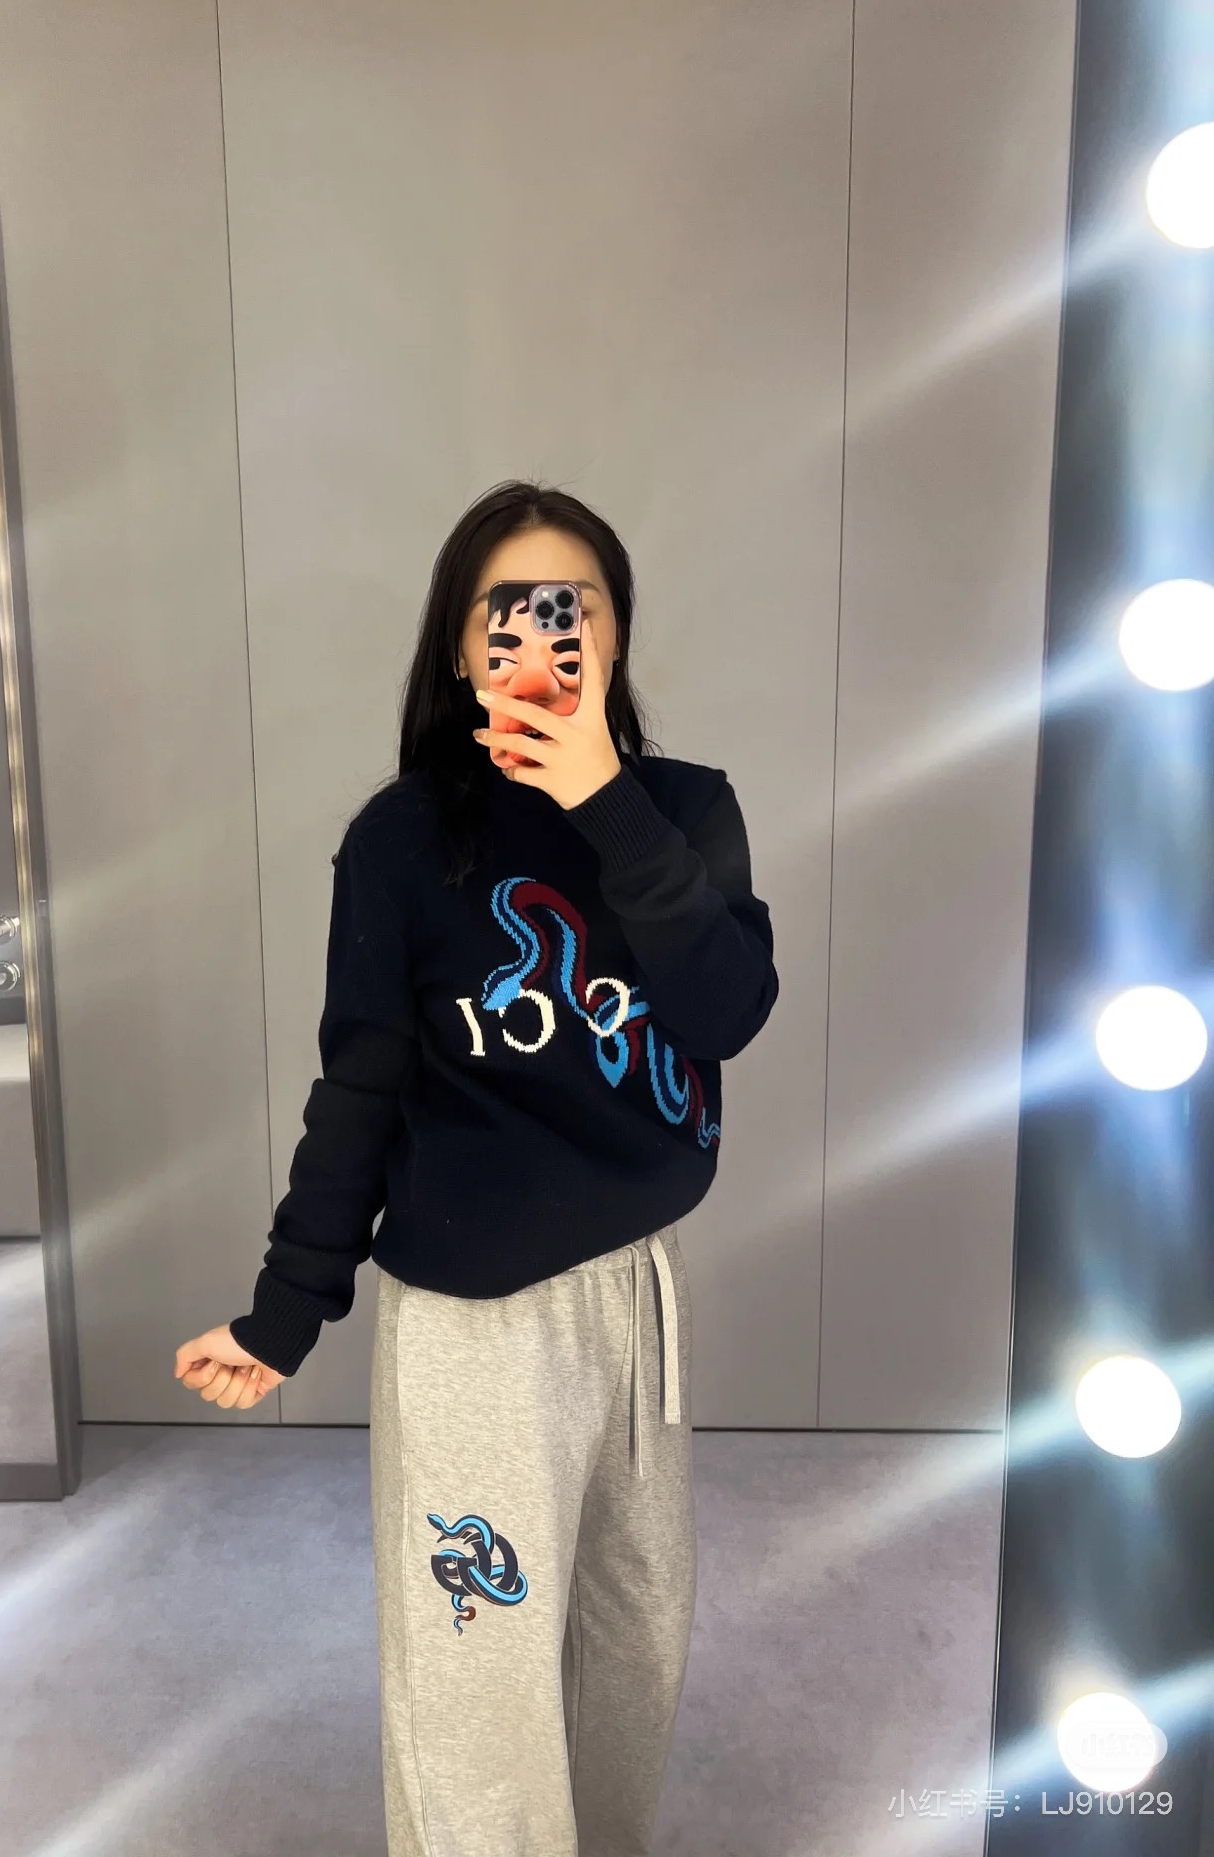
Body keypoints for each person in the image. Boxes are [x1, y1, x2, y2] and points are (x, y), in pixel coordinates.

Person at [173, 479, 779, 1857]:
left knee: (633, 1644)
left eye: (574, 610)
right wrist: (283, 1314)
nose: (542, 639)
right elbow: (361, 1087)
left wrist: (605, 802)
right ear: (459, 646)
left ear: (615, 635)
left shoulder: (686, 810)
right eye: (507, 613)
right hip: (474, 1328)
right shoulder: (403, 841)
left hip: (636, 1295)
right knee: (479, 1679)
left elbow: (727, 1011)